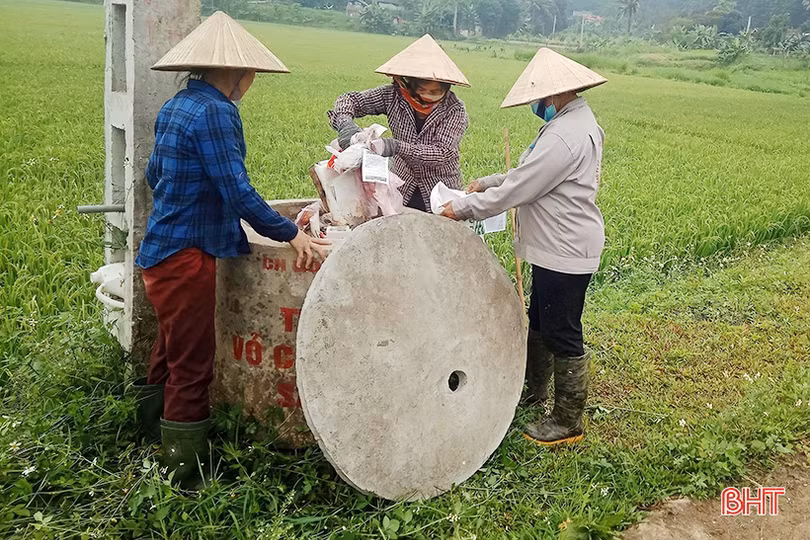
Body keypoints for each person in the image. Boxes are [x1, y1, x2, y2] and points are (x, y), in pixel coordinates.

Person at [131, 12, 328, 487]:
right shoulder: (217, 112)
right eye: (251, 74)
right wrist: (290, 232)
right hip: (186, 254)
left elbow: (155, 174)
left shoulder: (178, 105)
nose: (251, 82)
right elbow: (238, 191)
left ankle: (147, 430)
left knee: (170, 346)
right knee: (193, 361)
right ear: (239, 73)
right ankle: (184, 471)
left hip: (161, 247)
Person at [440, 48, 607, 447]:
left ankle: (567, 421)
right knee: (540, 321)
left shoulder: (565, 134)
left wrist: (463, 208)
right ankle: (534, 393)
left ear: (554, 93)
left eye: (538, 97)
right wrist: (488, 182)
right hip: (557, 245)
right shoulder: (572, 122)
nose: (536, 105)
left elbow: (522, 188)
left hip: (565, 248)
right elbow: (530, 173)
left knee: (561, 330)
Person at [327, 35, 470, 212]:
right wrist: (344, 123)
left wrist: (396, 147)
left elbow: (442, 153)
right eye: (421, 90)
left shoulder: (454, 110)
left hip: (440, 190)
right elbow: (350, 100)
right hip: (402, 186)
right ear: (405, 84)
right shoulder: (392, 96)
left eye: (435, 92)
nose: (427, 97)